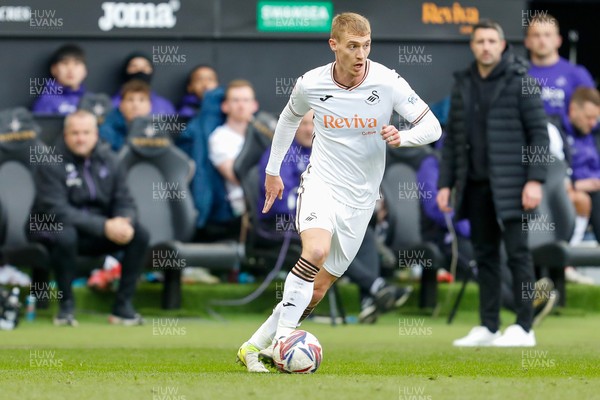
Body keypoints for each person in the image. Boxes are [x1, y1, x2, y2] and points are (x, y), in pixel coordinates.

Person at [236, 12, 441, 372]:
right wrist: (273, 171)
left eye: (366, 45)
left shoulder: (387, 82)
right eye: (352, 46)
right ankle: (285, 339)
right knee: (315, 250)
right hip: (322, 183)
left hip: (361, 198)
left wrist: (403, 137)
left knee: (316, 290)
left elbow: (432, 127)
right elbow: (287, 119)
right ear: (334, 46)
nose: (361, 54)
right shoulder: (311, 83)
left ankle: (253, 347)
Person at [437, 19, 548, 347]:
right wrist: (445, 184)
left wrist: (535, 180)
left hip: (515, 184)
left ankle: (525, 327)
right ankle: (488, 325)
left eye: (491, 41)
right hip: (475, 185)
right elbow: (453, 139)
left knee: (518, 255)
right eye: (480, 41)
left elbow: (538, 133)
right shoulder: (462, 83)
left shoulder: (521, 81)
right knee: (484, 255)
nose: (486, 46)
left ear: (502, 45)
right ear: (473, 46)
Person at [258, 111, 413, 324]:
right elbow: (283, 201)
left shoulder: (329, 154)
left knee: (363, 233)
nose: (308, 129)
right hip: (282, 225)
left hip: (326, 220)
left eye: (313, 123)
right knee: (331, 239)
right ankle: (378, 287)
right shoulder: (281, 153)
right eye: (302, 124)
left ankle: (369, 300)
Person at [30, 110, 149, 326]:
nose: (80, 138)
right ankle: (65, 307)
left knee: (139, 234)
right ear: (65, 135)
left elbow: (125, 200)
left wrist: (124, 221)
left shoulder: (111, 161)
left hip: (96, 230)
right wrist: (104, 226)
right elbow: (56, 210)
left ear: (95, 134)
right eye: (75, 133)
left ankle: (122, 308)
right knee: (65, 234)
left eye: (86, 132)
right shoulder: (50, 162)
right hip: (50, 227)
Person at [525, 14, 595, 120]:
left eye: (547, 35)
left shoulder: (577, 74)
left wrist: (563, 126)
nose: (542, 40)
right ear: (527, 42)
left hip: (567, 136)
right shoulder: (519, 74)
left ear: (558, 40)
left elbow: (594, 117)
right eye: (536, 35)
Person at [208, 79, 259, 219]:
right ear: (225, 106)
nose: (241, 105)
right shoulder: (219, 138)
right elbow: (237, 177)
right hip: (244, 208)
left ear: (254, 105)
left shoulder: (266, 131)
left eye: (246, 100)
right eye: (236, 100)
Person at [111, 52, 175, 115]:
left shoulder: (164, 106)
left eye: (145, 67)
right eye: (134, 67)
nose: (140, 70)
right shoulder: (112, 105)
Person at [32, 44, 88, 115]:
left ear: (85, 70)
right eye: (65, 63)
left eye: (76, 63)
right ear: (54, 69)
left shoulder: (90, 101)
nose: (70, 69)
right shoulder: (46, 101)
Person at [99, 80, 152, 152]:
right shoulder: (107, 127)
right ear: (121, 105)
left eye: (141, 100)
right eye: (130, 100)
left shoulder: (157, 128)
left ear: (150, 106)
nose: (136, 105)